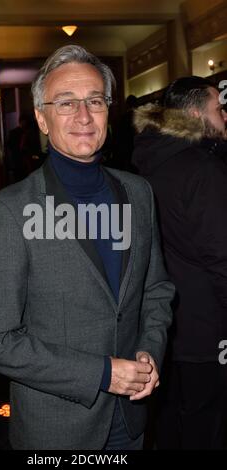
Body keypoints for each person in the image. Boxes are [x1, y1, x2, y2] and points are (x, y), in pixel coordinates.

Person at [0, 45, 174, 451]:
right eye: (66, 103)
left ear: (107, 112)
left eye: (94, 101)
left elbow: (157, 291)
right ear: (42, 119)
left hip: (131, 422)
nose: (83, 116)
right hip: (58, 429)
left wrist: (150, 353)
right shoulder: (10, 211)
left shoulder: (138, 193)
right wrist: (101, 374)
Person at [132, 76, 227, 449]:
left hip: (170, 323)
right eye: (218, 110)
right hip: (210, 327)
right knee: (210, 427)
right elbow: (223, 258)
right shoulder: (203, 171)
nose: (224, 117)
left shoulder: (153, 157)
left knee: (175, 421)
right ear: (193, 114)